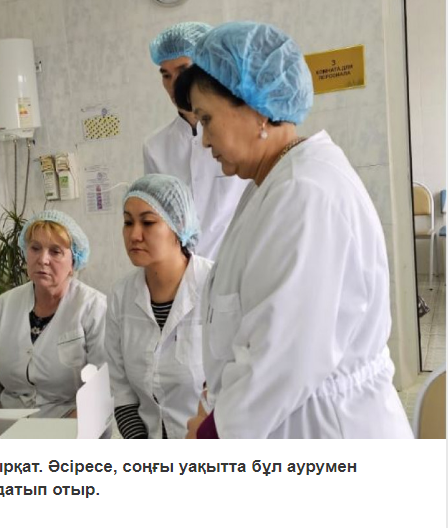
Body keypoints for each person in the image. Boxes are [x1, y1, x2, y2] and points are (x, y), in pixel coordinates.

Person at [175, 22, 413, 439]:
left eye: (207, 119)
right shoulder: (272, 184)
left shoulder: (304, 193)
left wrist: (211, 434)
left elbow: (283, 357)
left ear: (257, 109)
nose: (204, 140)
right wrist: (212, 399)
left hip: (329, 429)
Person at [106, 174, 212, 438]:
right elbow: (122, 392)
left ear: (179, 226)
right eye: (128, 222)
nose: (134, 235)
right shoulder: (121, 296)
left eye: (148, 222)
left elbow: (229, 386)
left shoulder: (215, 285)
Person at [0, 211, 106, 418]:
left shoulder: (93, 307)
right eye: (35, 248)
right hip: (10, 425)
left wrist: (64, 433)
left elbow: (102, 387)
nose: (43, 259)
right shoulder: (4, 305)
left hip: (71, 424)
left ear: (74, 261)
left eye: (55, 252)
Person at [145, 22, 247, 260]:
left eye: (183, 71)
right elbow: (156, 217)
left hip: (236, 263)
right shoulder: (154, 147)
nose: (174, 84)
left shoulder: (238, 132)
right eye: (166, 75)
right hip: (183, 271)